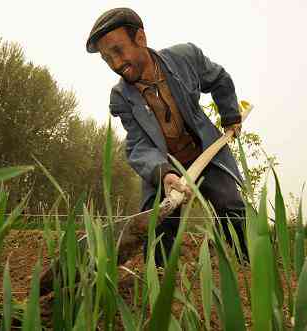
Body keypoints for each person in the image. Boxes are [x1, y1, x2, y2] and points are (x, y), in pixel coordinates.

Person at [86, 8, 248, 266]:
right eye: (107, 59)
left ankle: (248, 268)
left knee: (231, 208)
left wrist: (230, 116)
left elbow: (219, 79)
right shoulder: (120, 98)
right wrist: (165, 175)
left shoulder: (185, 58)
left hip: (203, 154)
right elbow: (139, 145)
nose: (115, 64)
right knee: (159, 227)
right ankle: (161, 280)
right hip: (164, 166)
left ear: (140, 38)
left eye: (118, 51)